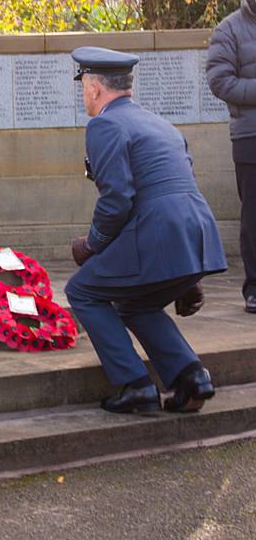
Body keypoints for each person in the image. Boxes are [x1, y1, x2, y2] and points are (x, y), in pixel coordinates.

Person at [65, 46, 227, 415]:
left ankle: (135, 384)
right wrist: (188, 276)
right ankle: (191, 376)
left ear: (94, 88)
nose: (84, 96)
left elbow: (117, 198)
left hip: (158, 233)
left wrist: (92, 246)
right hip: (194, 232)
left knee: (83, 290)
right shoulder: (160, 124)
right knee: (135, 302)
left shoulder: (105, 124)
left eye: (83, 88)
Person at [206, 0, 256, 313]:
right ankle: (255, 288)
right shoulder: (229, 29)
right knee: (254, 217)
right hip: (251, 136)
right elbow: (221, 82)